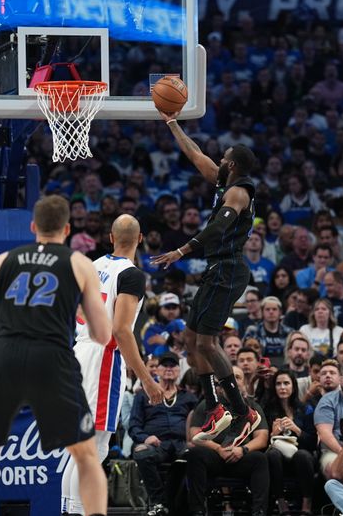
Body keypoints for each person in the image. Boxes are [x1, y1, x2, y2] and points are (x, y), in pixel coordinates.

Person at [0, 196, 113, 516]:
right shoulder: (79, 263)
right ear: (66, 228)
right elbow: (102, 334)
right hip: (53, 358)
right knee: (87, 457)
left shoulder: (3, 261)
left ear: (33, 227)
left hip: (5, 356)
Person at [153, 110, 261, 446]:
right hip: (218, 270)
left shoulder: (239, 193)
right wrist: (171, 122)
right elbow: (194, 153)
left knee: (207, 343)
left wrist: (182, 251)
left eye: (224, 157)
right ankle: (215, 407)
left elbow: (217, 229)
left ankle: (243, 412)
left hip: (228, 269)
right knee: (189, 337)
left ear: (232, 165)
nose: (219, 159)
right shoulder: (224, 182)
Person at [61, 215, 165, 515]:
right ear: (140, 238)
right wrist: (146, 378)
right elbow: (121, 330)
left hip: (79, 352)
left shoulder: (92, 266)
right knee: (93, 450)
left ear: (110, 237)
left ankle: (69, 510)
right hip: (103, 359)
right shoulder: (131, 274)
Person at [185, 365, 269, 516]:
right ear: (220, 384)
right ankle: (197, 510)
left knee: (260, 459)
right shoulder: (207, 404)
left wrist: (243, 450)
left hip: (240, 456)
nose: (234, 382)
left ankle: (259, 512)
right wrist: (218, 449)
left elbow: (262, 438)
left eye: (238, 378)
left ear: (244, 383)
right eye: (229, 378)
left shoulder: (252, 406)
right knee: (195, 454)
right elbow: (194, 435)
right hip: (214, 457)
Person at [128, 352, 197, 516]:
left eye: (172, 365)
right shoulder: (143, 395)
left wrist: (194, 439)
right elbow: (133, 426)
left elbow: (200, 421)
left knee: (195, 455)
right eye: (164, 365)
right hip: (157, 444)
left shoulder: (189, 397)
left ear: (179, 370)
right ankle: (160, 502)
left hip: (183, 443)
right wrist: (146, 438)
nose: (169, 368)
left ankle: (181, 505)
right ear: (156, 370)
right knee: (142, 453)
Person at [264, 370, 317, 515]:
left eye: (286, 383)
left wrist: (296, 429)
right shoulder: (268, 409)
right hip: (278, 458)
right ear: (274, 387)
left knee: (303, 455)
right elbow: (263, 443)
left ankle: (307, 504)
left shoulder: (305, 408)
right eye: (278, 384)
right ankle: (281, 504)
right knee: (273, 455)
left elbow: (312, 442)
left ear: (293, 386)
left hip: (301, 457)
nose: (282, 387)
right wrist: (273, 434)